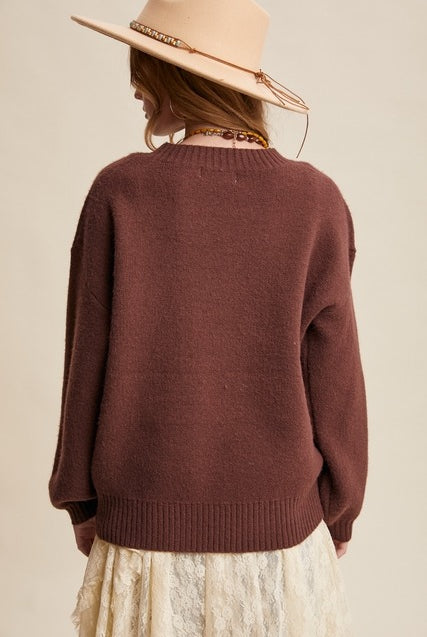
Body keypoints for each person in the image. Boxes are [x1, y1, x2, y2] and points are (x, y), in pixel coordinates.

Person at [48, 0, 369, 634]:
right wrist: (342, 508)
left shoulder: (119, 191)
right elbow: (336, 376)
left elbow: (87, 357)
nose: (134, 86)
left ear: (180, 77)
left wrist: (80, 499)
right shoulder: (315, 200)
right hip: (281, 543)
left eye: (145, 67)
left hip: (142, 541)